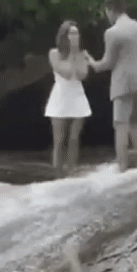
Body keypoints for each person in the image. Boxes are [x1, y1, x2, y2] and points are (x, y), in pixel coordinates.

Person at [87, 0, 137, 172]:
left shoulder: (112, 32)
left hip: (124, 83)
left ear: (111, 10)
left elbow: (108, 63)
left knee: (120, 124)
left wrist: (92, 63)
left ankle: (122, 166)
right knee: (133, 121)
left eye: (106, 12)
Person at [45, 20, 92, 176]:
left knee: (74, 138)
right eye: (72, 33)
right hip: (60, 96)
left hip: (77, 96)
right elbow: (65, 73)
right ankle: (57, 174)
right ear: (64, 36)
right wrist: (72, 53)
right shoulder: (54, 53)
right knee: (59, 140)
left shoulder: (82, 54)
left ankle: (72, 172)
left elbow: (81, 74)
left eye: (77, 33)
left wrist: (77, 53)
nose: (75, 36)